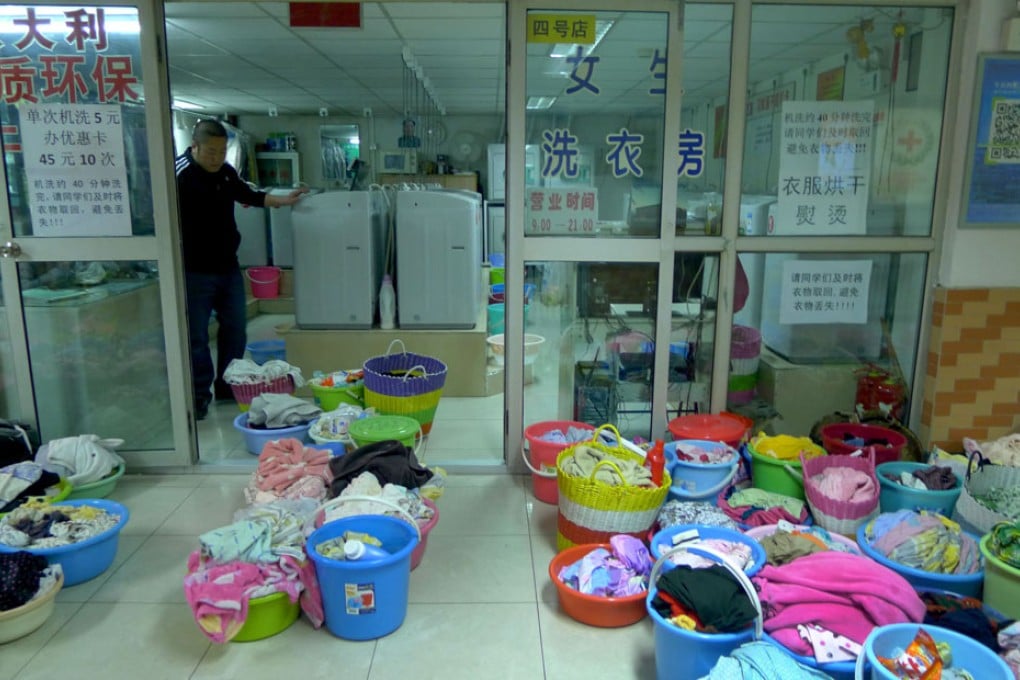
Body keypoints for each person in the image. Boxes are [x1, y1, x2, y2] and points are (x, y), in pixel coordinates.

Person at [175, 119, 306, 420]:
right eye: (210, 151)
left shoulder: (225, 172)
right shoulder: (180, 176)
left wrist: (285, 200)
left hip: (227, 267)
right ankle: (197, 397)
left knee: (234, 329)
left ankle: (228, 386)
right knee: (196, 336)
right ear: (194, 146)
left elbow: (249, 196)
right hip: (194, 271)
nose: (216, 157)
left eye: (222, 151)